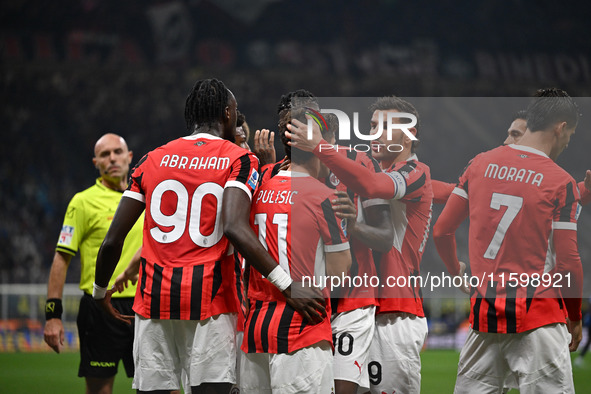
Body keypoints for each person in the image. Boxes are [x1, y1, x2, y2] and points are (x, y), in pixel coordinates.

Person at [93, 78, 324, 394]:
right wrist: (287, 284)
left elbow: (111, 242)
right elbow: (234, 226)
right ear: (228, 114)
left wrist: (99, 291)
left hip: (153, 303)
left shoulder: (152, 159)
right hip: (210, 303)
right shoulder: (239, 159)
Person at [433, 88, 583, 393]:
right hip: (538, 319)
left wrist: (455, 270)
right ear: (561, 127)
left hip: (484, 317)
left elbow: (441, 230)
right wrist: (575, 317)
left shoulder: (479, 164)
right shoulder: (561, 181)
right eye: (570, 135)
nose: (568, 143)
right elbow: (568, 262)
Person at [287, 96, 434, 394]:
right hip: (362, 305)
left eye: (386, 126)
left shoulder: (415, 172)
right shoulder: (363, 168)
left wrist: (318, 146)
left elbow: (372, 186)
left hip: (396, 309)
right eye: (372, 126)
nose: (375, 133)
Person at [240, 105, 351, 394]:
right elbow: (340, 272)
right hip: (302, 330)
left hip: (257, 330)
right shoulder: (324, 197)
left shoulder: (258, 190)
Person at [43, 133, 142, 394]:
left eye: (117, 152)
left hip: (146, 306)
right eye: (105, 154)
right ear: (95, 162)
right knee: (100, 390)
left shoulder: (147, 197)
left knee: (160, 387)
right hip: (100, 306)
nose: (112, 159)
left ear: (129, 157)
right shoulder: (82, 202)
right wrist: (53, 315)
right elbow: (61, 258)